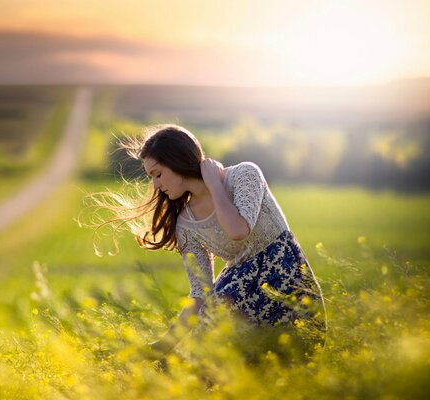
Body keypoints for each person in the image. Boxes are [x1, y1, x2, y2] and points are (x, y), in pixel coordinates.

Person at [100, 124, 327, 359]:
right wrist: (162, 346)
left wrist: (215, 186)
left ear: (177, 160)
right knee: (213, 362)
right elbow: (200, 293)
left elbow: (237, 230)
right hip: (240, 294)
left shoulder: (244, 175)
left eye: (158, 174)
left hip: (287, 282)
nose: (156, 185)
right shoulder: (185, 225)